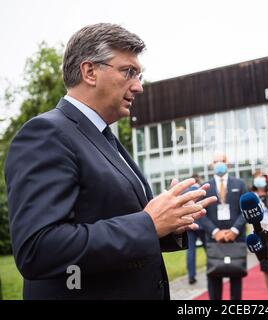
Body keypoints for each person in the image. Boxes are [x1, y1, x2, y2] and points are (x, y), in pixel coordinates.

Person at [4, 23, 217, 300]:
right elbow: (38, 249)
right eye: (128, 72)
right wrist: (148, 224)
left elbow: (113, 219)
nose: (139, 86)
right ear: (90, 72)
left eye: (139, 75)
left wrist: (169, 223)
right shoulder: (46, 133)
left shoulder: (104, 136)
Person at [198, 152, 248, 300]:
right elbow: (200, 212)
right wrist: (215, 231)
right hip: (214, 240)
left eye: (223, 160)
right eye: (216, 161)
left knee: (236, 275)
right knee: (214, 276)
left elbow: (245, 210)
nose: (219, 163)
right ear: (211, 165)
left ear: (228, 164)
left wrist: (234, 230)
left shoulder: (239, 184)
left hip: (236, 238)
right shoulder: (205, 187)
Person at [186, 174, 206, 285]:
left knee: (191, 251)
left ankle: (191, 276)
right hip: (202, 225)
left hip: (190, 225)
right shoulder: (202, 191)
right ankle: (213, 269)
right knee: (208, 249)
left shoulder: (185, 193)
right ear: (199, 180)